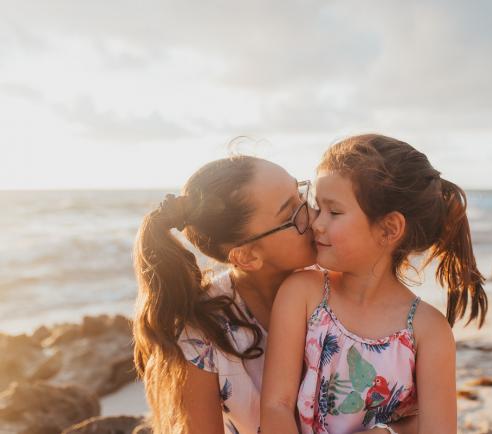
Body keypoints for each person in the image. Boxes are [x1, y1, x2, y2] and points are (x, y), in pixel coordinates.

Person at [132, 155, 418, 434]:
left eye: (302, 195)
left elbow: (413, 414)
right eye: (293, 214)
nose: (315, 216)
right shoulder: (202, 333)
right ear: (248, 257)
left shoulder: (344, 283)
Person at [261, 134, 488, 434]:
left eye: (335, 211)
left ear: (389, 228)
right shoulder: (302, 292)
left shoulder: (428, 331)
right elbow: (276, 405)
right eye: (318, 205)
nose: (316, 221)